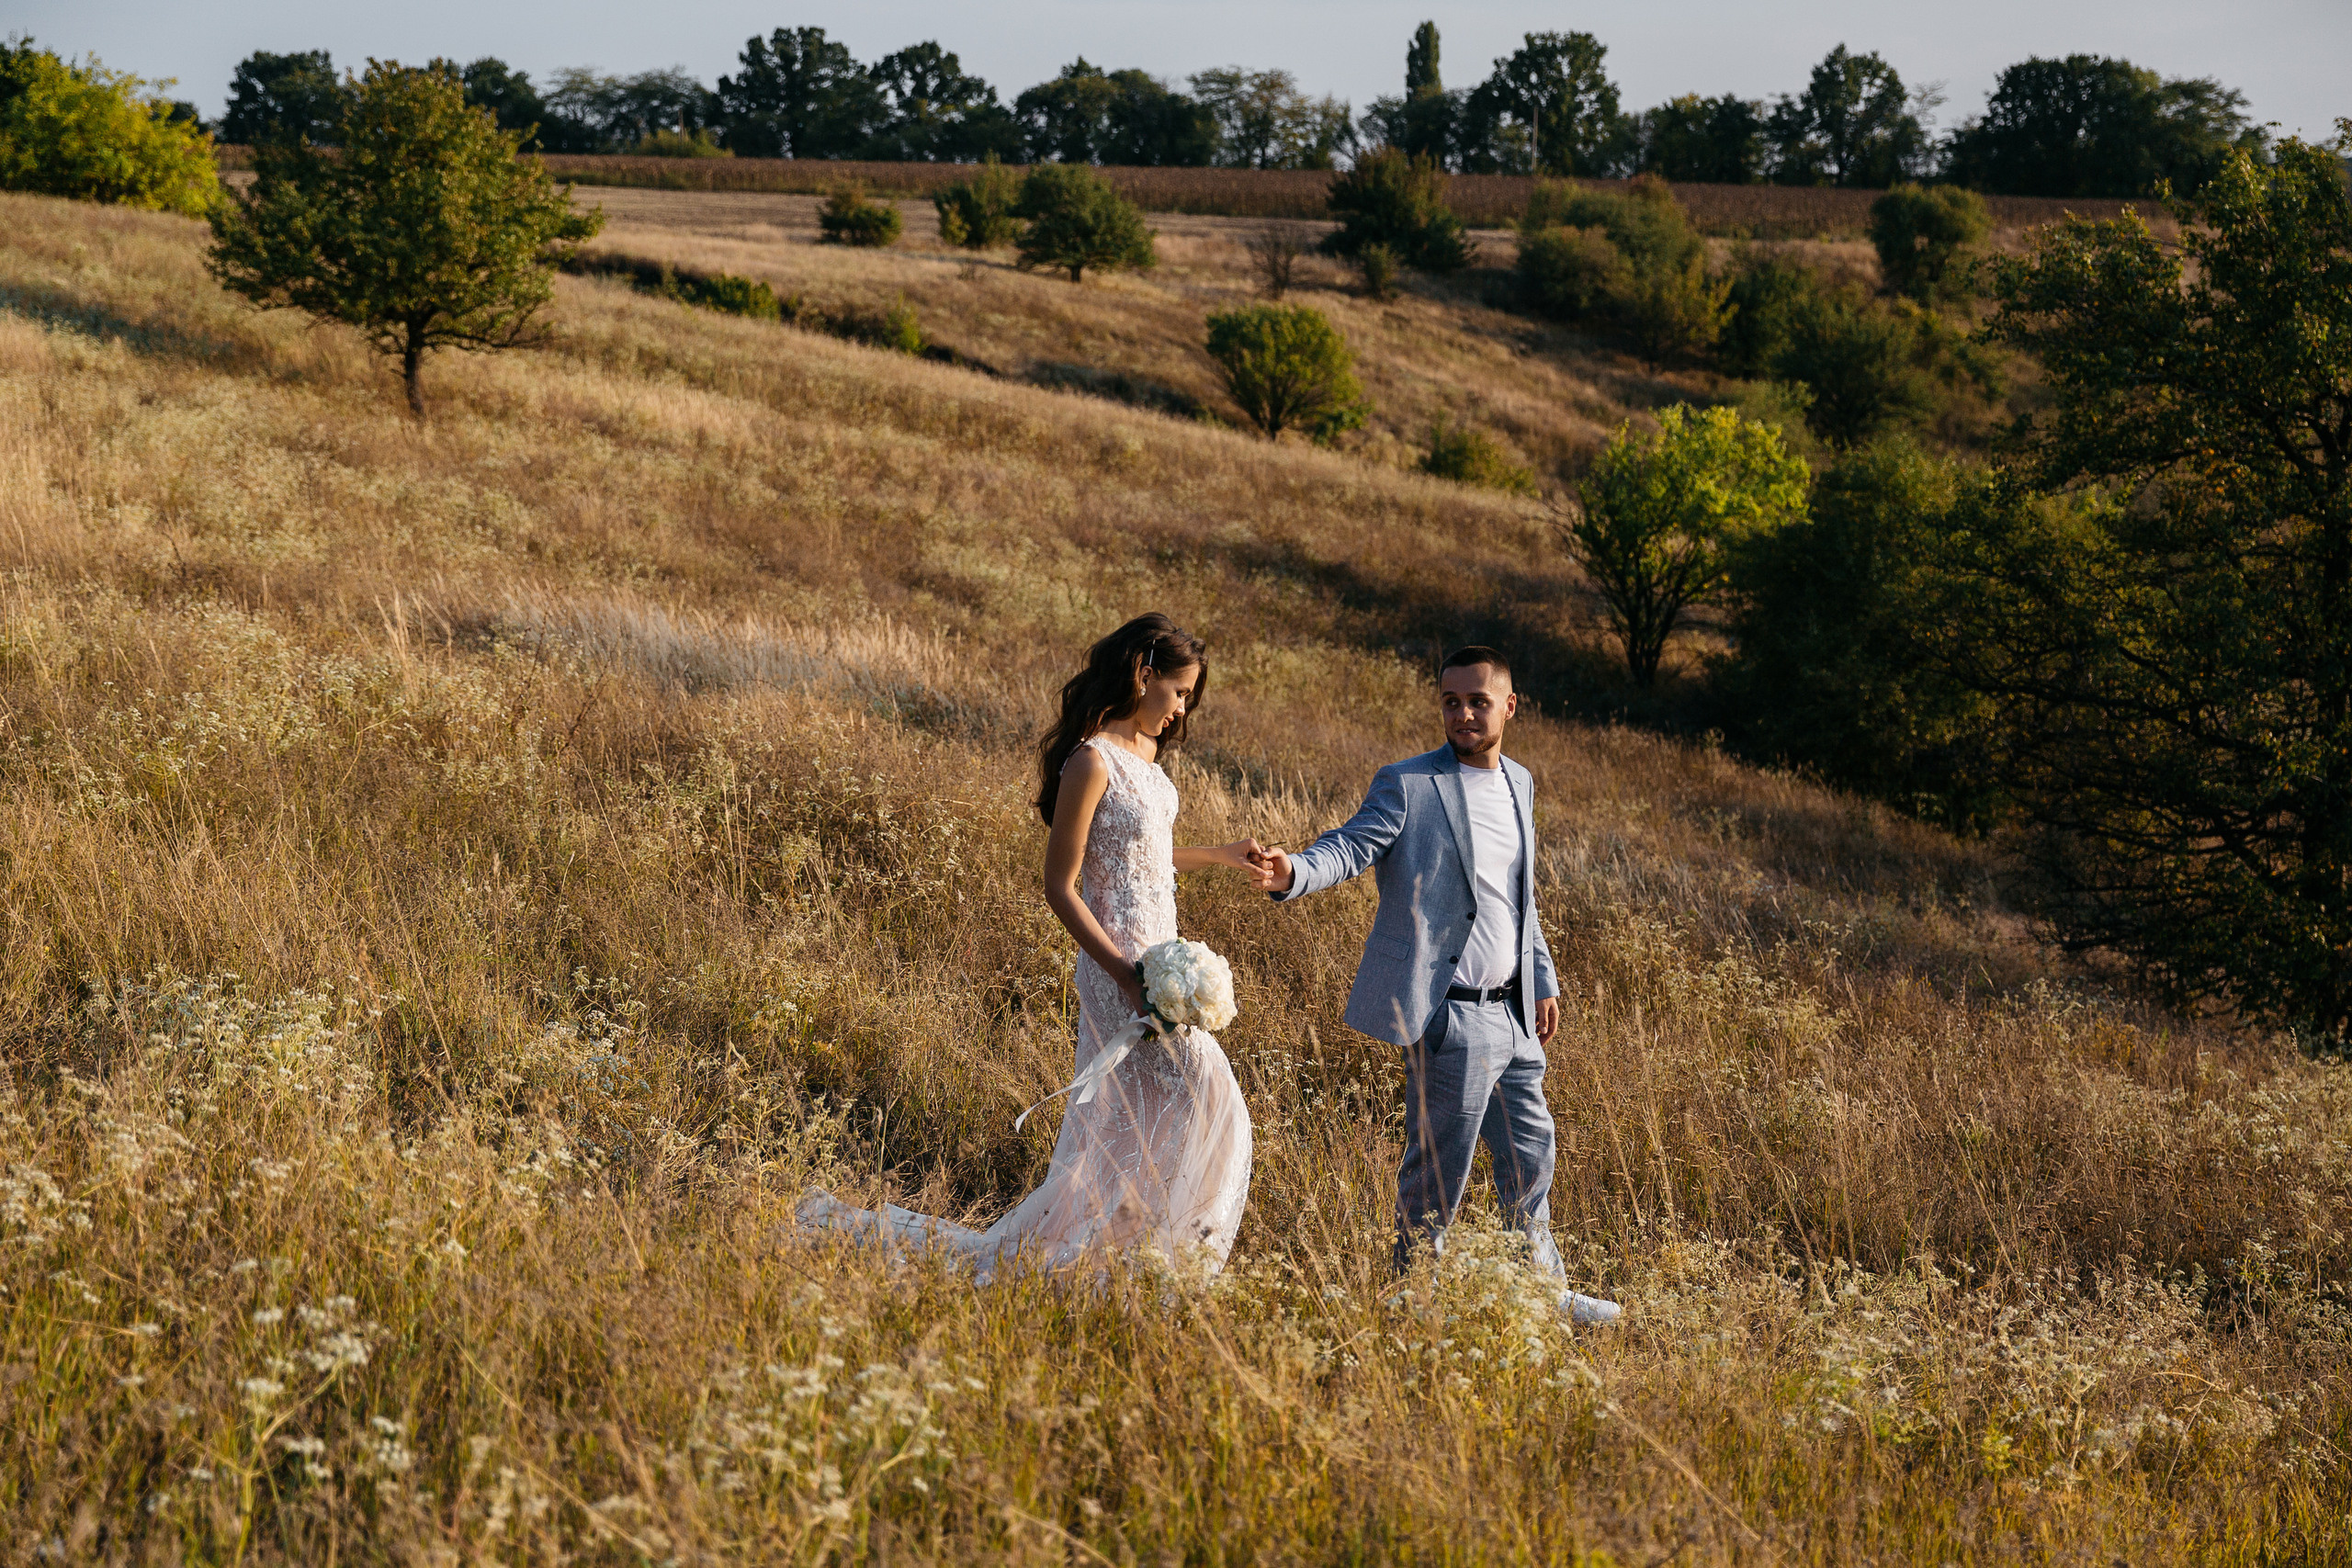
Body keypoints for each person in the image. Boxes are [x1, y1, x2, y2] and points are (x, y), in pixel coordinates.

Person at [797, 614, 1265, 1278]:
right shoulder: (1091, 759)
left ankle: (1134, 1259)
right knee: (1213, 1099)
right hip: (1119, 967)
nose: (1182, 708)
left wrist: (1218, 855)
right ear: (1145, 674)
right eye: (1180, 691)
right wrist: (1126, 976)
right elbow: (1061, 884)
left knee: (1161, 1115)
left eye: (1189, 697)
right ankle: (1151, 1262)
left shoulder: (1150, 760)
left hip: (1162, 961)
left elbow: (1143, 859)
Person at [1256, 647, 1622, 1325]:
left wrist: (1541, 977)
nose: (1463, 713)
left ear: (1510, 705)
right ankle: (1410, 1303)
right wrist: (1294, 872)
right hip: (1450, 1017)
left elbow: (1520, 899)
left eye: (1478, 700)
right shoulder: (1409, 784)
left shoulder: (1521, 782)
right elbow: (1350, 845)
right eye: (1451, 701)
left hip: (1514, 1013)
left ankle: (1542, 1297)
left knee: (1531, 1163)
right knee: (1436, 1178)